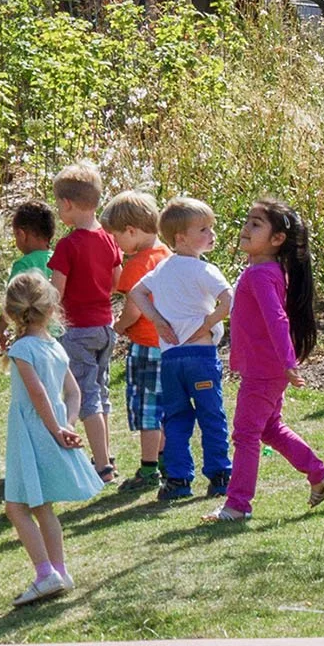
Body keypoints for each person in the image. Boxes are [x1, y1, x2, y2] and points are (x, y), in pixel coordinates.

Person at [210, 198, 324, 522]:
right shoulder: (265, 271)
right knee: (269, 428)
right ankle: (319, 474)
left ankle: (237, 505)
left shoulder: (260, 275)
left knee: (245, 434)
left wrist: (288, 361)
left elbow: (276, 318)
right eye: (247, 221)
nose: (246, 228)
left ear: (277, 239)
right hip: (266, 368)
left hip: (264, 371)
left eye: (256, 224)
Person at [0, 273, 100, 606]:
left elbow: (38, 394)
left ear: (11, 311)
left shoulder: (22, 348)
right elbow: (73, 392)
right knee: (42, 506)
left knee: (16, 507)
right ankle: (59, 571)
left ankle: (46, 574)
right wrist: (67, 424)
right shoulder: (54, 346)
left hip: (32, 431)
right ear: (50, 307)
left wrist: (58, 430)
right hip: (52, 426)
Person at [127, 197, 234, 502]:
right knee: (211, 414)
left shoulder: (162, 269)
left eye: (211, 227)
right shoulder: (204, 270)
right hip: (201, 356)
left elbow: (136, 292)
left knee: (175, 417)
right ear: (181, 238)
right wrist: (208, 323)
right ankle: (220, 474)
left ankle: (178, 478)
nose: (211, 234)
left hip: (170, 358)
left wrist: (157, 321)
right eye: (203, 229)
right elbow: (229, 299)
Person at [47, 165, 124, 483]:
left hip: (77, 329)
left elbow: (56, 291)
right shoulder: (109, 239)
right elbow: (117, 281)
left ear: (67, 204)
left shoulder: (68, 246)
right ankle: (104, 455)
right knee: (100, 391)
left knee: (85, 395)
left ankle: (102, 466)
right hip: (105, 326)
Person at [104, 191, 173, 490]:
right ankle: (167, 460)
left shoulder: (136, 265)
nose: (117, 244)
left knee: (147, 409)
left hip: (146, 346)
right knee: (166, 406)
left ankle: (148, 469)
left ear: (131, 231)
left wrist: (118, 327)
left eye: (117, 237)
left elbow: (133, 310)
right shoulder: (167, 254)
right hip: (169, 346)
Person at [0, 200, 57, 356]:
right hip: (57, 333)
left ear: (21, 234)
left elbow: (11, 302)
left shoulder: (23, 265)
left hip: (30, 334)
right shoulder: (59, 259)